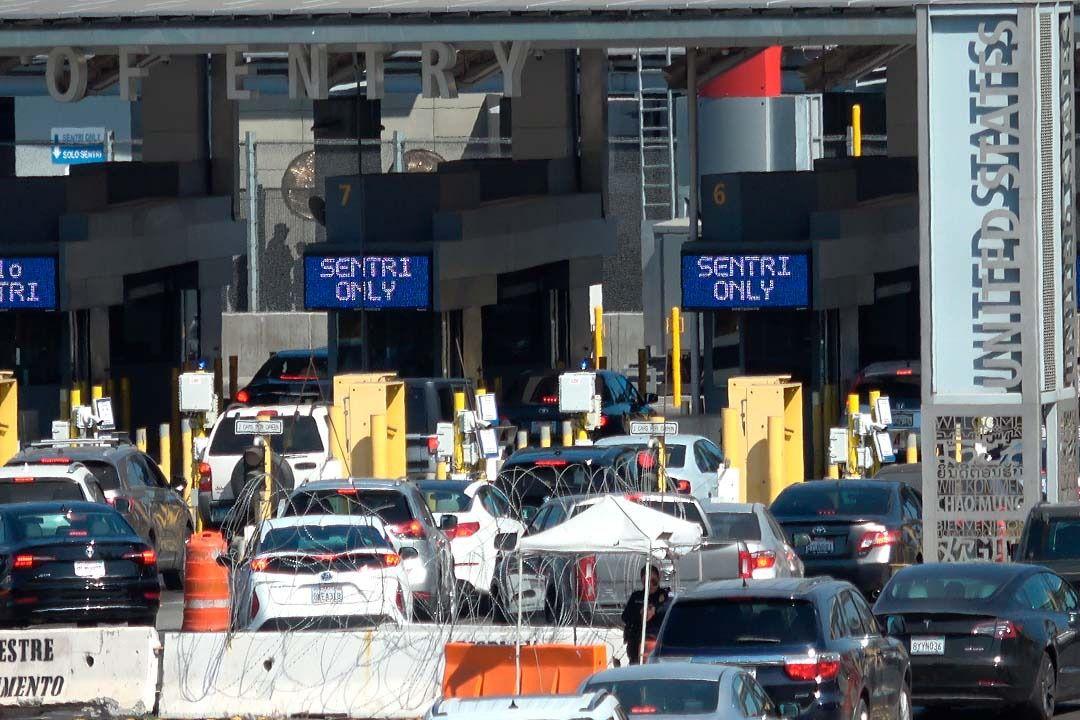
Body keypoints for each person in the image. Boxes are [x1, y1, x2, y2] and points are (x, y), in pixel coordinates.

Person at [621, 564, 670, 665]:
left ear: (659, 578)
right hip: (637, 641)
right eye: (646, 582)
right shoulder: (636, 596)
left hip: (657, 641)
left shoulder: (665, 596)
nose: (650, 585)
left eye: (653, 581)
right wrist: (639, 614)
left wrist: (655, 610)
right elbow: (625, 616)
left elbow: (669, 613)